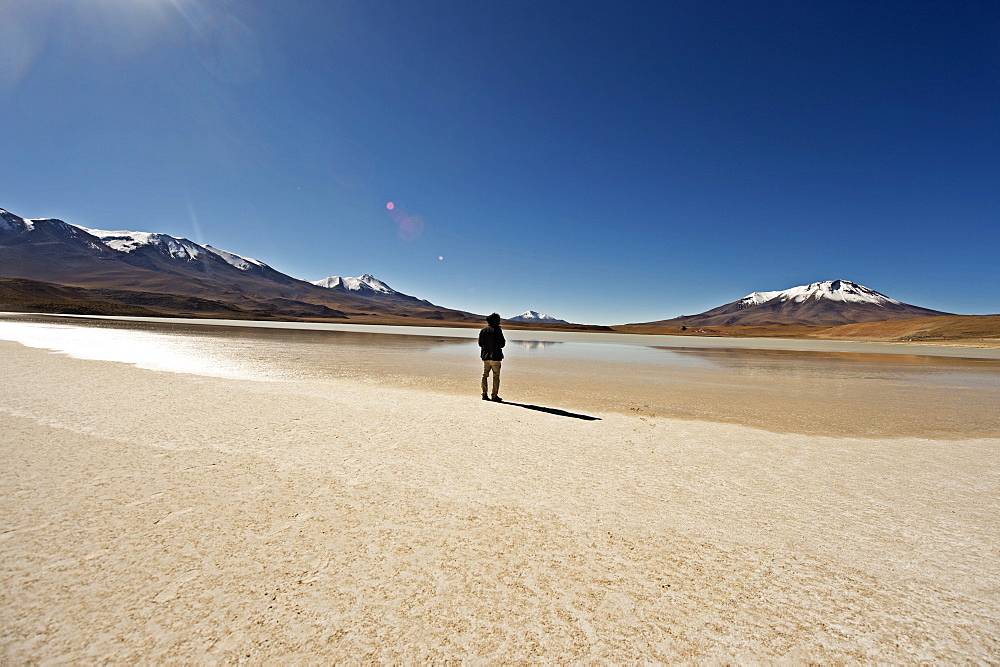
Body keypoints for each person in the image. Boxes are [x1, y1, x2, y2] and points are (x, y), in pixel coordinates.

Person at [478, 312, 505, 401]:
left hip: (485, 357)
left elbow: (480, 344)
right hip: (496, 357)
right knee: (496, 376)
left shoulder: (483, 330)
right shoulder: (497, 330)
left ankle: (484, 394)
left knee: (485, 375)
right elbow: (502, 344)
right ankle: (494, 395)